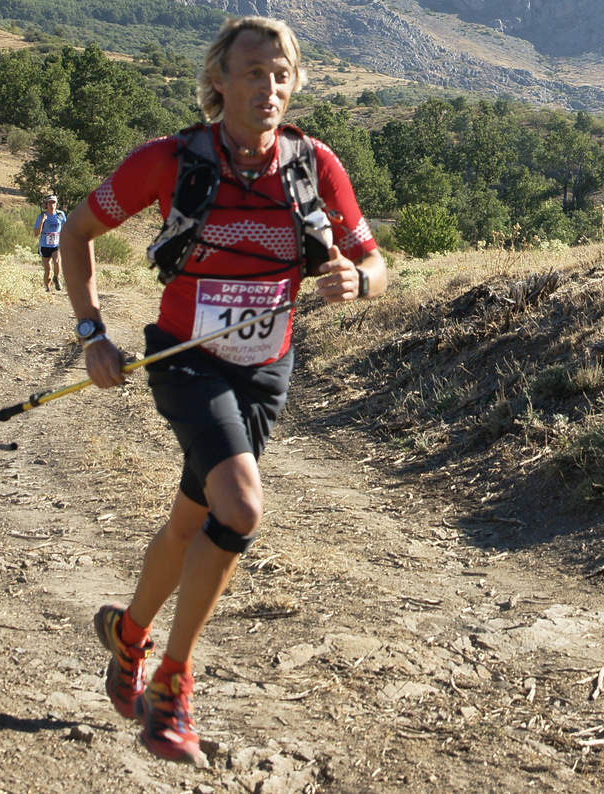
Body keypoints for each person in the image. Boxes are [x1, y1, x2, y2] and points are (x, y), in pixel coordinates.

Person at [60, 16, 387, 765]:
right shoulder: (170, 161)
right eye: (251, 72)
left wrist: (359, 280)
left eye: (281, 73)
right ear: (218, 81)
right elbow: (76, 233)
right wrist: (91, 334)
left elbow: (376, 260)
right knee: (240, 505)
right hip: (183, 361)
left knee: (191, 522)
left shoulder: (314, 164)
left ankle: (128, 636)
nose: (267, 87)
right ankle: (172, 687)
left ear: (295, 81)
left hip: (267, 368)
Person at [34, 194, 66, 292]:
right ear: (46, 204)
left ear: (56, 204)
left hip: (56, 244)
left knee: (57, 261)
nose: (52, 204)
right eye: (50, 202)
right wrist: (42, 222)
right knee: (47, 269)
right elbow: (36, 233)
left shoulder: (60, 214)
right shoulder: (42, 216)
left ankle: (56, 278)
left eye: (54, 202)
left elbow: (66, 227)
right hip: (44, 245)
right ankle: (47, 288)